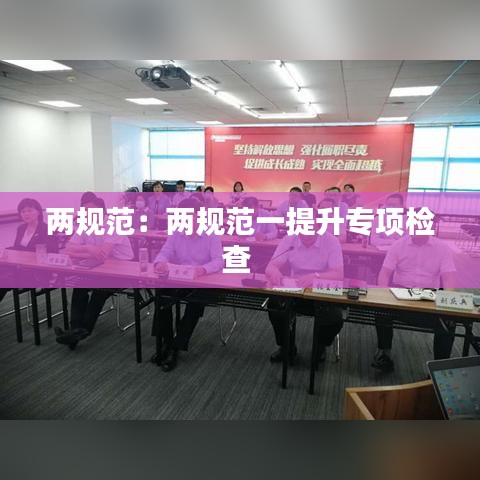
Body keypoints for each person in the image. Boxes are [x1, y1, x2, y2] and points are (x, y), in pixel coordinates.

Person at [55, 194, 134, 349]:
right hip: (97, 267)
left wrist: (84, 252)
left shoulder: (114, 224)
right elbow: (68, 249)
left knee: (100, 291)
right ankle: (75, 330)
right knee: (79, 288)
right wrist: (88, 248)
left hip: (123, 270)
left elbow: (103, 254)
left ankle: (83, 331)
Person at [152, 198, 223, 372]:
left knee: (195, 304)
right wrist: (160, 262)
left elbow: (219, 261)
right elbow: (165, 253)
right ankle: (167, 341)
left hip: (203, 281)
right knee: (161, 297)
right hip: (181, 279)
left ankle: (176, 347)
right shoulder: (177, 232)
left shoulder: (211, 234)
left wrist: (203, 269)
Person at [372, 234, 457, 373]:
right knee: (381, 310)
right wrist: (383, 295)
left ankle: (439, 370)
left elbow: (449, 279)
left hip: (429, 296)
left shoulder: (442, 247)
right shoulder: (398, 245)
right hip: (401, 292)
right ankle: (384, 354)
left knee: (448, 320)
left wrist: (447, 302)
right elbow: (385, 274)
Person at [264, 225, 345, 364]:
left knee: (335, 317)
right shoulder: (289, 240)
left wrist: (316, 276)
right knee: (275, 305)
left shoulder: (331, 241)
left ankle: (320, 346)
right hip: (295, 291)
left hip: (320, 291)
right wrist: (275, 273)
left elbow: (338, 274)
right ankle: (287, 347)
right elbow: (271, 266)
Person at [0, 198, 59, 303]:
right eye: (23, 211)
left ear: (38, 212)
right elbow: (16, 248)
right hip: (20, 268)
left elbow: (51, 251)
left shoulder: (46, 229)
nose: (26, 214)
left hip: (38, 271)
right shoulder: (21, 228)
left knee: (4, 280)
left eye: (29, 210)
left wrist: (24, 259)